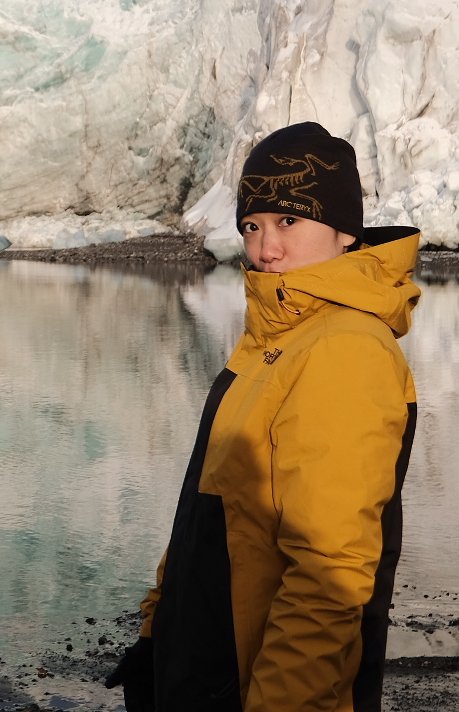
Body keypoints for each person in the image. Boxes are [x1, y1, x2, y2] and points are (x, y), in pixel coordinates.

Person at [106, 122, 420, 712]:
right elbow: (213, 507)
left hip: (258, 687)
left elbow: (329, 575)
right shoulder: (275, 340)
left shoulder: (345, 349)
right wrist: (158, 628)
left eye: (289, 221)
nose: (264, 248)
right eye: (252, 225)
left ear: (345, 230)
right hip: (211, 674)